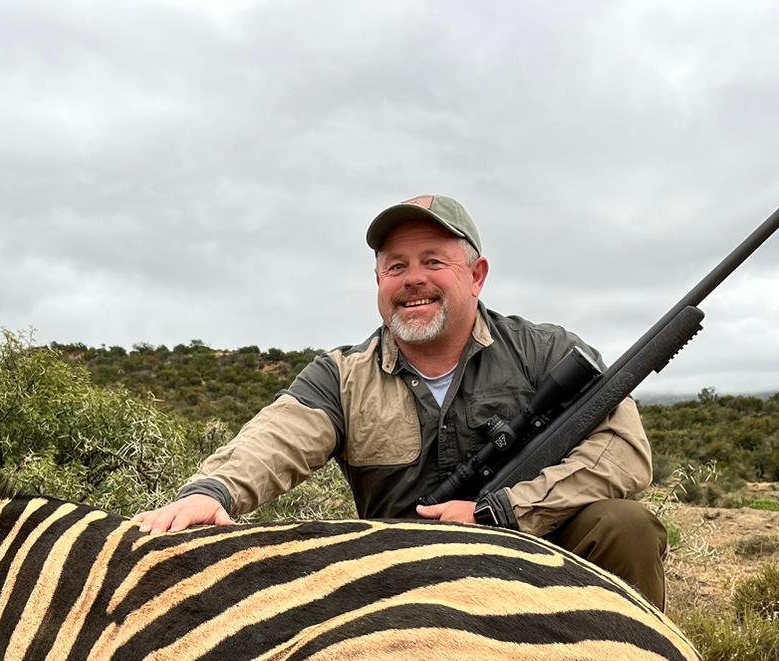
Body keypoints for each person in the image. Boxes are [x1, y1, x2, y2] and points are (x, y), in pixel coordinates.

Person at [135, 194, 667, 607]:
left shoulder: (547, 351)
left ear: (476, 276)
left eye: (434, 261)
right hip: (403, 588)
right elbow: (277, 438)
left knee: (625, 527)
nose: (413, 280)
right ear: (378, 280)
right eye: (396, 266)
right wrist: (212, 492)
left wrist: (500, 514)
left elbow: (623, 452)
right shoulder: (342, 375)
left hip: (535, 556)